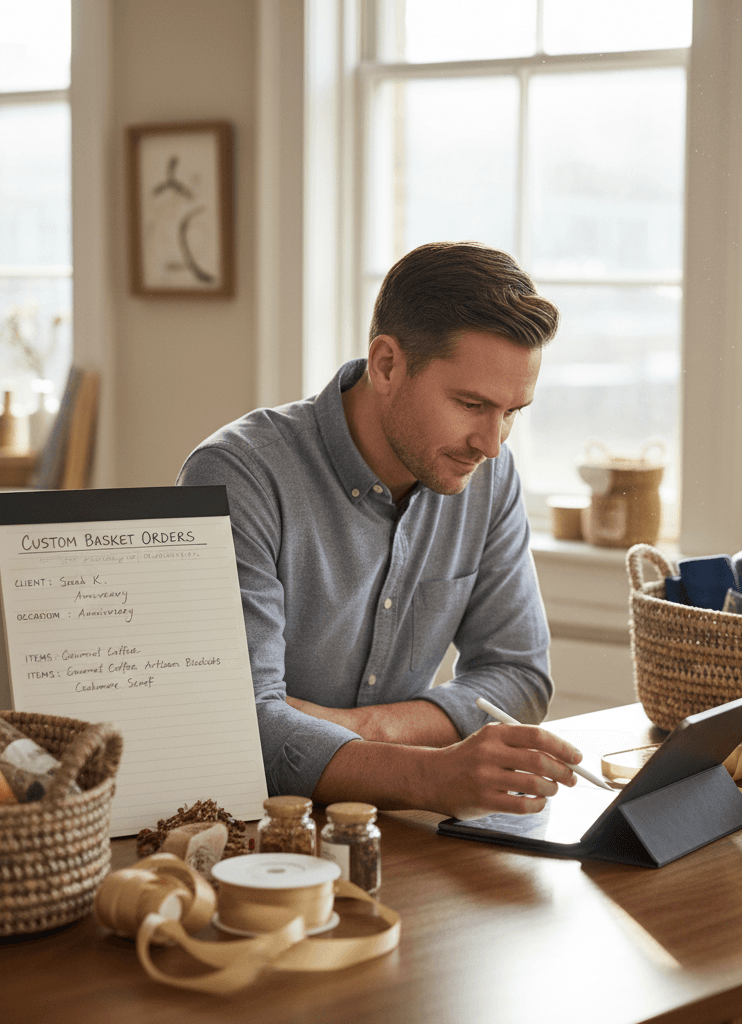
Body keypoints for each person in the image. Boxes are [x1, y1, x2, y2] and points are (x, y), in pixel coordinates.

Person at [177, 241, 583, 820]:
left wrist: (369, 728)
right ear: (387, 363)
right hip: (254, 831)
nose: (492, 444)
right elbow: (240, 721)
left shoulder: (489, 473)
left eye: (513, 412)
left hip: (395, 830)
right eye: (471, 404)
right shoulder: (237, 476)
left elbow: (518, 676)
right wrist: (428, 774)